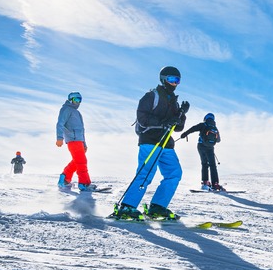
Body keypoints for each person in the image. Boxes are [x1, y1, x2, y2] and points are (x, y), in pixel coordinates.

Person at [113, 66, 189, 220]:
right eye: (171, 80)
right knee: (146, 173)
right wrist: (164, 122)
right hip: (150, 140)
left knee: (174, 174)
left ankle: (157, 207)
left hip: (166, 143)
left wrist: (182, 114)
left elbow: (178, 128)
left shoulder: (174, 101)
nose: (174, 84)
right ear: (163, 79)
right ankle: (127, 207)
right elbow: (142, 118)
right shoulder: (151, 96)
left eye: (177, 81)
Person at [56, 91, 96, 191]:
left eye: (79, 100)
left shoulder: (77, 113)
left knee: (77, 161)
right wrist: (59, 138)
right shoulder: (66, 109)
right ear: (70, 100)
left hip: (79, 140)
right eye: (76, 99)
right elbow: (60, 124)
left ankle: (64, 178)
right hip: (72, 140)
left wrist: (84, 143)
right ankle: (84, 184)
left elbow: (82, 130)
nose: (78, 102)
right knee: (82, 161)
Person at [180, 112, 224, 191]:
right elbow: (218, 140)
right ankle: (215, 183)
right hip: (210, 148)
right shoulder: (215, 128)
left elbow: (193, 128)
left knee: (204, 164)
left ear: (206, 118)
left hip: (201, 146)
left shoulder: (203, 125)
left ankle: (205, 182)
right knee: (213, 165)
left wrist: (185, 134)